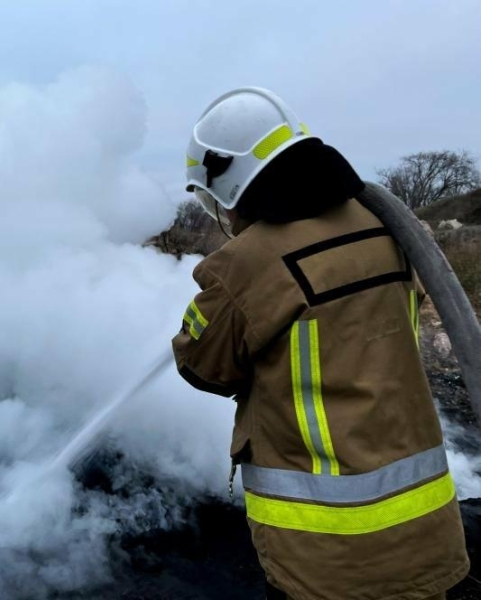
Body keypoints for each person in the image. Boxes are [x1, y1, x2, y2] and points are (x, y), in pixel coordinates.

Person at [172, 87, 469, 600]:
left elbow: (203, 368)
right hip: (426, 527)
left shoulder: (245, 263)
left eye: (213, 199)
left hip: (326, 555)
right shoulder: (386, 226)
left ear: (232, 180)